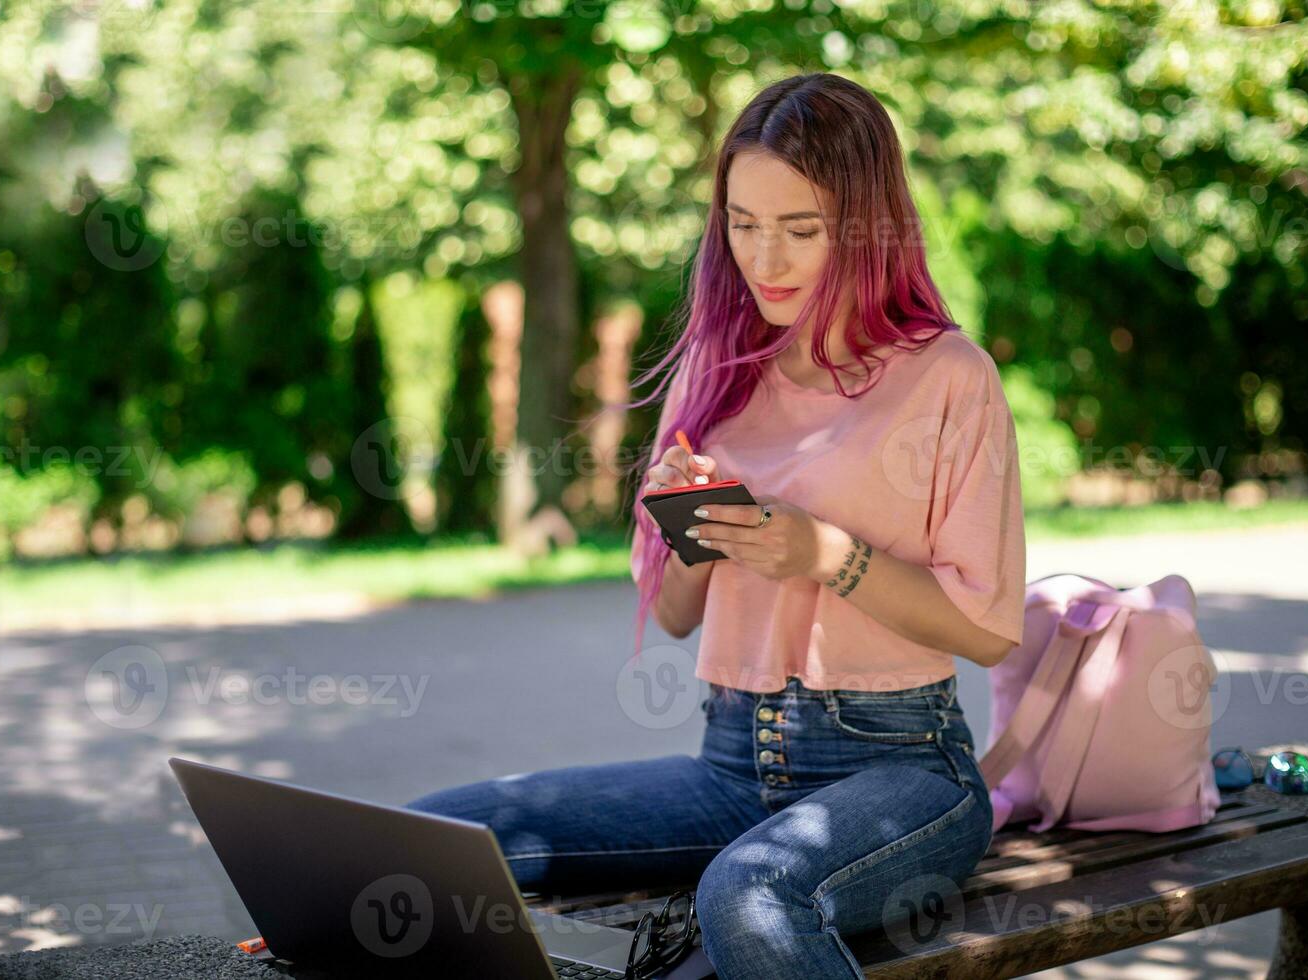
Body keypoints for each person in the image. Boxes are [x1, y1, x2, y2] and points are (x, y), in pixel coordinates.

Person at [405, 71, 1027, 979]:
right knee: (432, 837)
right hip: (732, 765)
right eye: (743, 224)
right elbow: (676, 616)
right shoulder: (717, 369)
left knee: (749, 892)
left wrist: (828, 554)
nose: (765, 259)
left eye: (801, 230)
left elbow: (990, 628)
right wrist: (683, 526)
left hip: (903, 771)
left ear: (864, 227)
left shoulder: (950, 377)